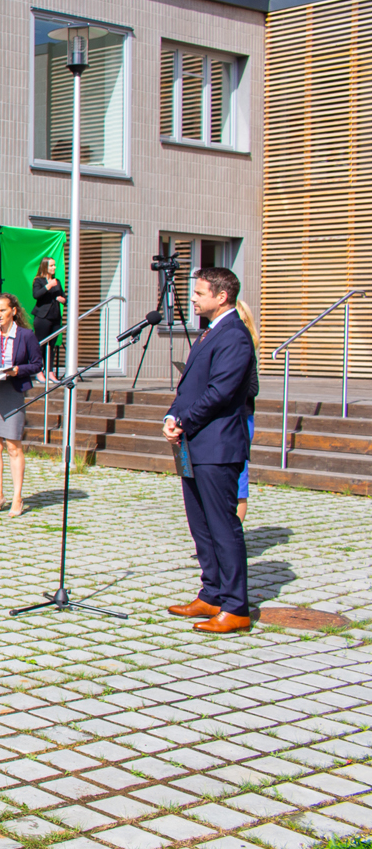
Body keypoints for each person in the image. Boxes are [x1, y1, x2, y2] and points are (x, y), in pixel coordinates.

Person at [163, 267, 259, 635]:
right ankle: (212, 593)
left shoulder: (234, 335)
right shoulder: (210, 332)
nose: (193, 298)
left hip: (218, 445)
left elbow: (220, 392)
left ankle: (235, 607)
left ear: (221, 296)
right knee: (200, 524)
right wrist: (172, 416)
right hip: (195, 443)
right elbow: (190, 386)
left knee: (222, 526)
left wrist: (183, 420)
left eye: (200, 293)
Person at [0, 293, 42, 517]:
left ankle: (17, 497)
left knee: (13, 446)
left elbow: (37, 364)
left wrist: (17, 370)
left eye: (3, 310)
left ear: (13, 311)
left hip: (13, 391)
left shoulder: (26, 335)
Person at [234, 300, 260, 521]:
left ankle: (234, 533)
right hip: (220, 420)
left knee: (239, 480)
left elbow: (253, 388)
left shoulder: (246, 350)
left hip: (241, 419)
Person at [31, 257, 65, 382]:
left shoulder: (57, 281)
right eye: (51, 265)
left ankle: (50, 372)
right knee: (41, 344)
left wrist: (63, 300)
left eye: (54, 265)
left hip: (55, 317)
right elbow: (36, 295)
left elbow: (64, 297)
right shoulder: (38, 281)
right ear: (45, 267)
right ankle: (38, 371)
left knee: (52, 345)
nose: (54, 267)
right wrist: (49, 286)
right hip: (43, 317)